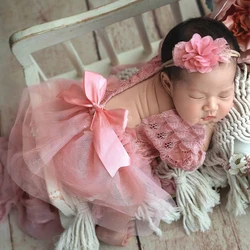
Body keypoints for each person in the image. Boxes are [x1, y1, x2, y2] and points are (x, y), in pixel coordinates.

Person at [6, 16, 240, 248]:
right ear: (167, 84)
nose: (211, 106)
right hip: (103, 154)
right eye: (198, 97)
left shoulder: (165, 60)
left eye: (224, 94)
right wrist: (208, 127)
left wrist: (202, 101)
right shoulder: (172, 120)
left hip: (82, 118)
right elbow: (189, 160)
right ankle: (109, 231)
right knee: (129, 197)